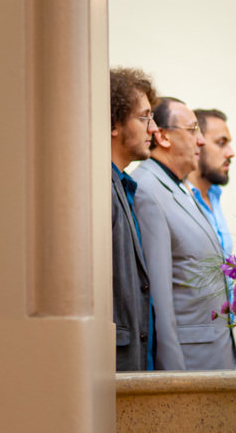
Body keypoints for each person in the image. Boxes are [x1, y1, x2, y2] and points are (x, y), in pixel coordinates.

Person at [131, 99, 236, 371]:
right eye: (193, 130)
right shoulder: (147, 189)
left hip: (214, 352)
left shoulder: (178, 187)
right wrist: (173, 378)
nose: (200, 142)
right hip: (190, 363)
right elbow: (158, 299)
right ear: (163, 136)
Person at [109, 67, 158, 371]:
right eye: (144, 117)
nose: (153, 128)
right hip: (114, 365)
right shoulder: (97, 187)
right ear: (114, 123)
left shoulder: (121, 184)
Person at [186, 109, 233, 258]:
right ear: (197, 143)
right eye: (221, 143)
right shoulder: (180, 198)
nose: (231, 153)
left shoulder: (214, 194)